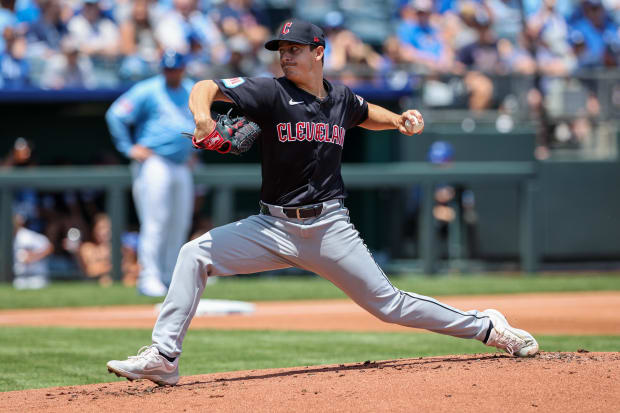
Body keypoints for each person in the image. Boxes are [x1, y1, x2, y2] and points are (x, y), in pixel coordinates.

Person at [107, 19, 538, 386]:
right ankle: (164, 357)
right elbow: (205, 86)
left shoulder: (339, 99)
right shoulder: (269, 93)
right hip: (271, 228)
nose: (285, 56)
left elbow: (367, 112)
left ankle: (486, 326)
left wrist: (400, 120)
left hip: (329, 227)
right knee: (194, 253)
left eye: (295, 49)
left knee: (388, 305)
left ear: (318, 52)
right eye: (281, 49)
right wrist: (203, 117)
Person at [106, 49, 195, 297]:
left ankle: (170, 275)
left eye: (175, 68)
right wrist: (128, 147)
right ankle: (149, 276)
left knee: (180, 222)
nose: (171, 73)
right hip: (155, 161)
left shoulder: (191, 89)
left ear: (183, 68)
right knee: (156, 221)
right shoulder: (149, 89)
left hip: (182, 164)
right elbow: (115, 114)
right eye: (167, 69)